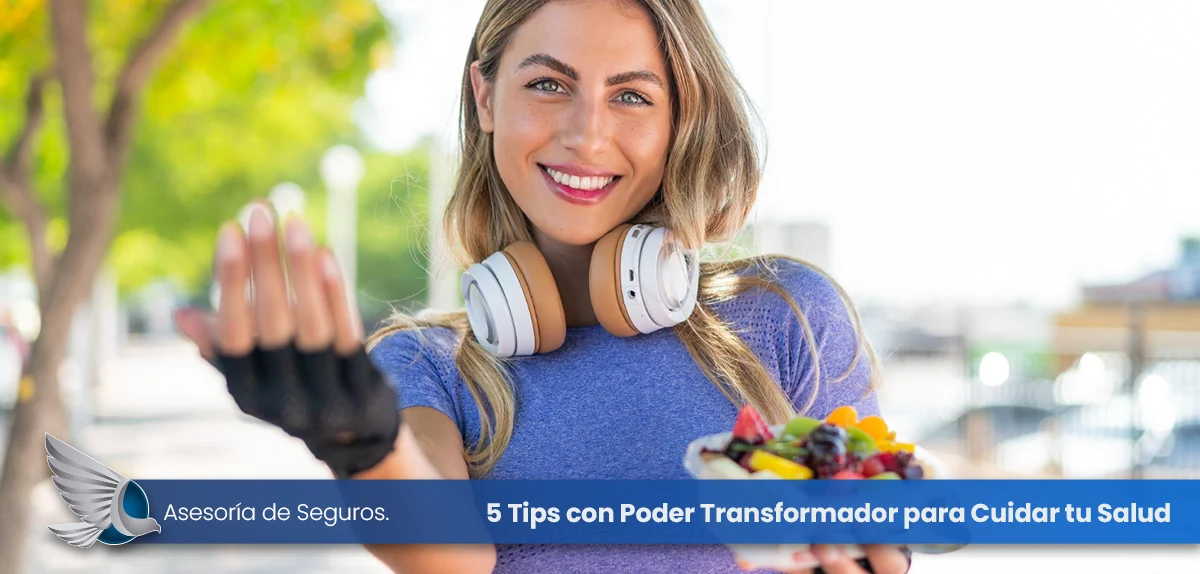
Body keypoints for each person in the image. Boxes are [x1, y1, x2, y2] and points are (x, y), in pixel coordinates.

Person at [176, 1, 909, 572]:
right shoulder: (429, 363)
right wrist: (357, 444)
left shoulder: (787, 318)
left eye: (631, 97)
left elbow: (881, 529)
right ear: (486, 97)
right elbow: (447, 554)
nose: (587, 136)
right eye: (549, 84)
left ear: (678, 120)